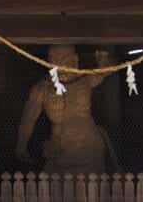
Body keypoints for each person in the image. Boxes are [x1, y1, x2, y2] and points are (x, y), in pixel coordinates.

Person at [14, 45, 114, 174]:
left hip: (89, 146)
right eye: (54, 60)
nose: (59, 64)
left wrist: (103, 58)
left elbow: (108, 69)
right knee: (56, 188)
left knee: (92, 188)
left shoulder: (85, 79)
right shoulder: (42, 89)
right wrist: (21, 146)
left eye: (64, 59)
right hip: (59, 147)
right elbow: (28, 119)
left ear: (75, 60)